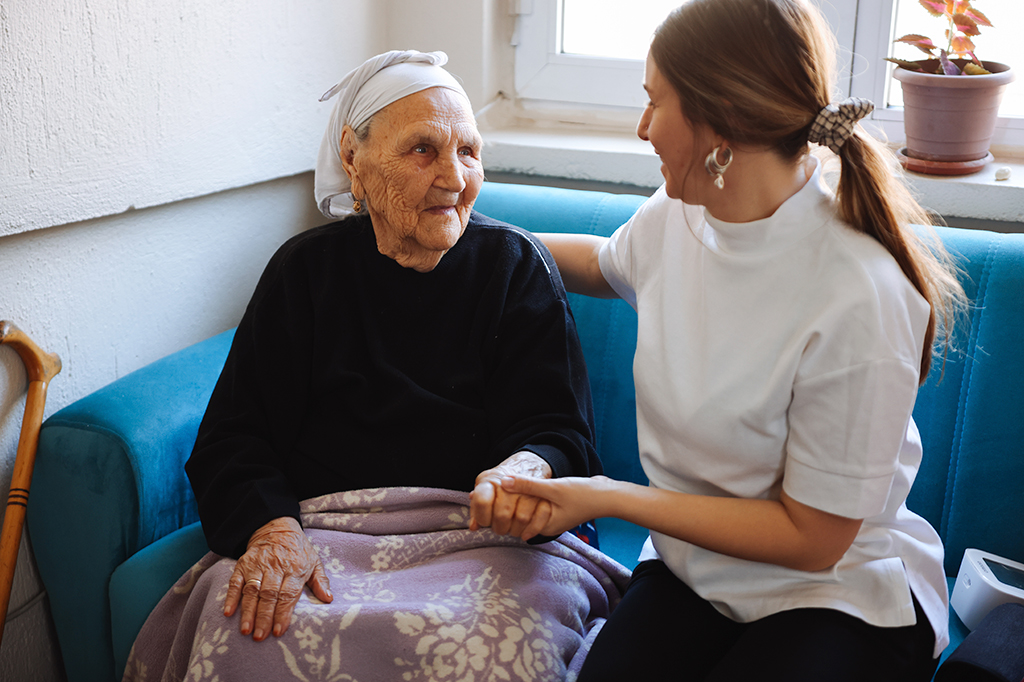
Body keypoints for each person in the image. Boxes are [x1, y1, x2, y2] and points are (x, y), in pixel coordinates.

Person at [495, 1, 967, 680]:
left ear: (721, 122)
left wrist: (603, 494)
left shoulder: (860, 293)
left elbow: (812, 540)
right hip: (697, 571)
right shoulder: (679, 216)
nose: (643, 127)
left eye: (655, 102)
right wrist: (477, 240)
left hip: (834, 593)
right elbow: (604, 263)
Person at [126, 50, 626, 682]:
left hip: (483, 542)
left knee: (496, 653)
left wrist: (524, 469)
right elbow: (235, 435)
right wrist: (273, 530)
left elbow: (559, 430)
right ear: (353, 160)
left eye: (469, 152)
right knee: (246, 633)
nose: (454, 177)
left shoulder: (515, 267)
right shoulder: (304, 272)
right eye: (423, 150)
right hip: (324, 536)